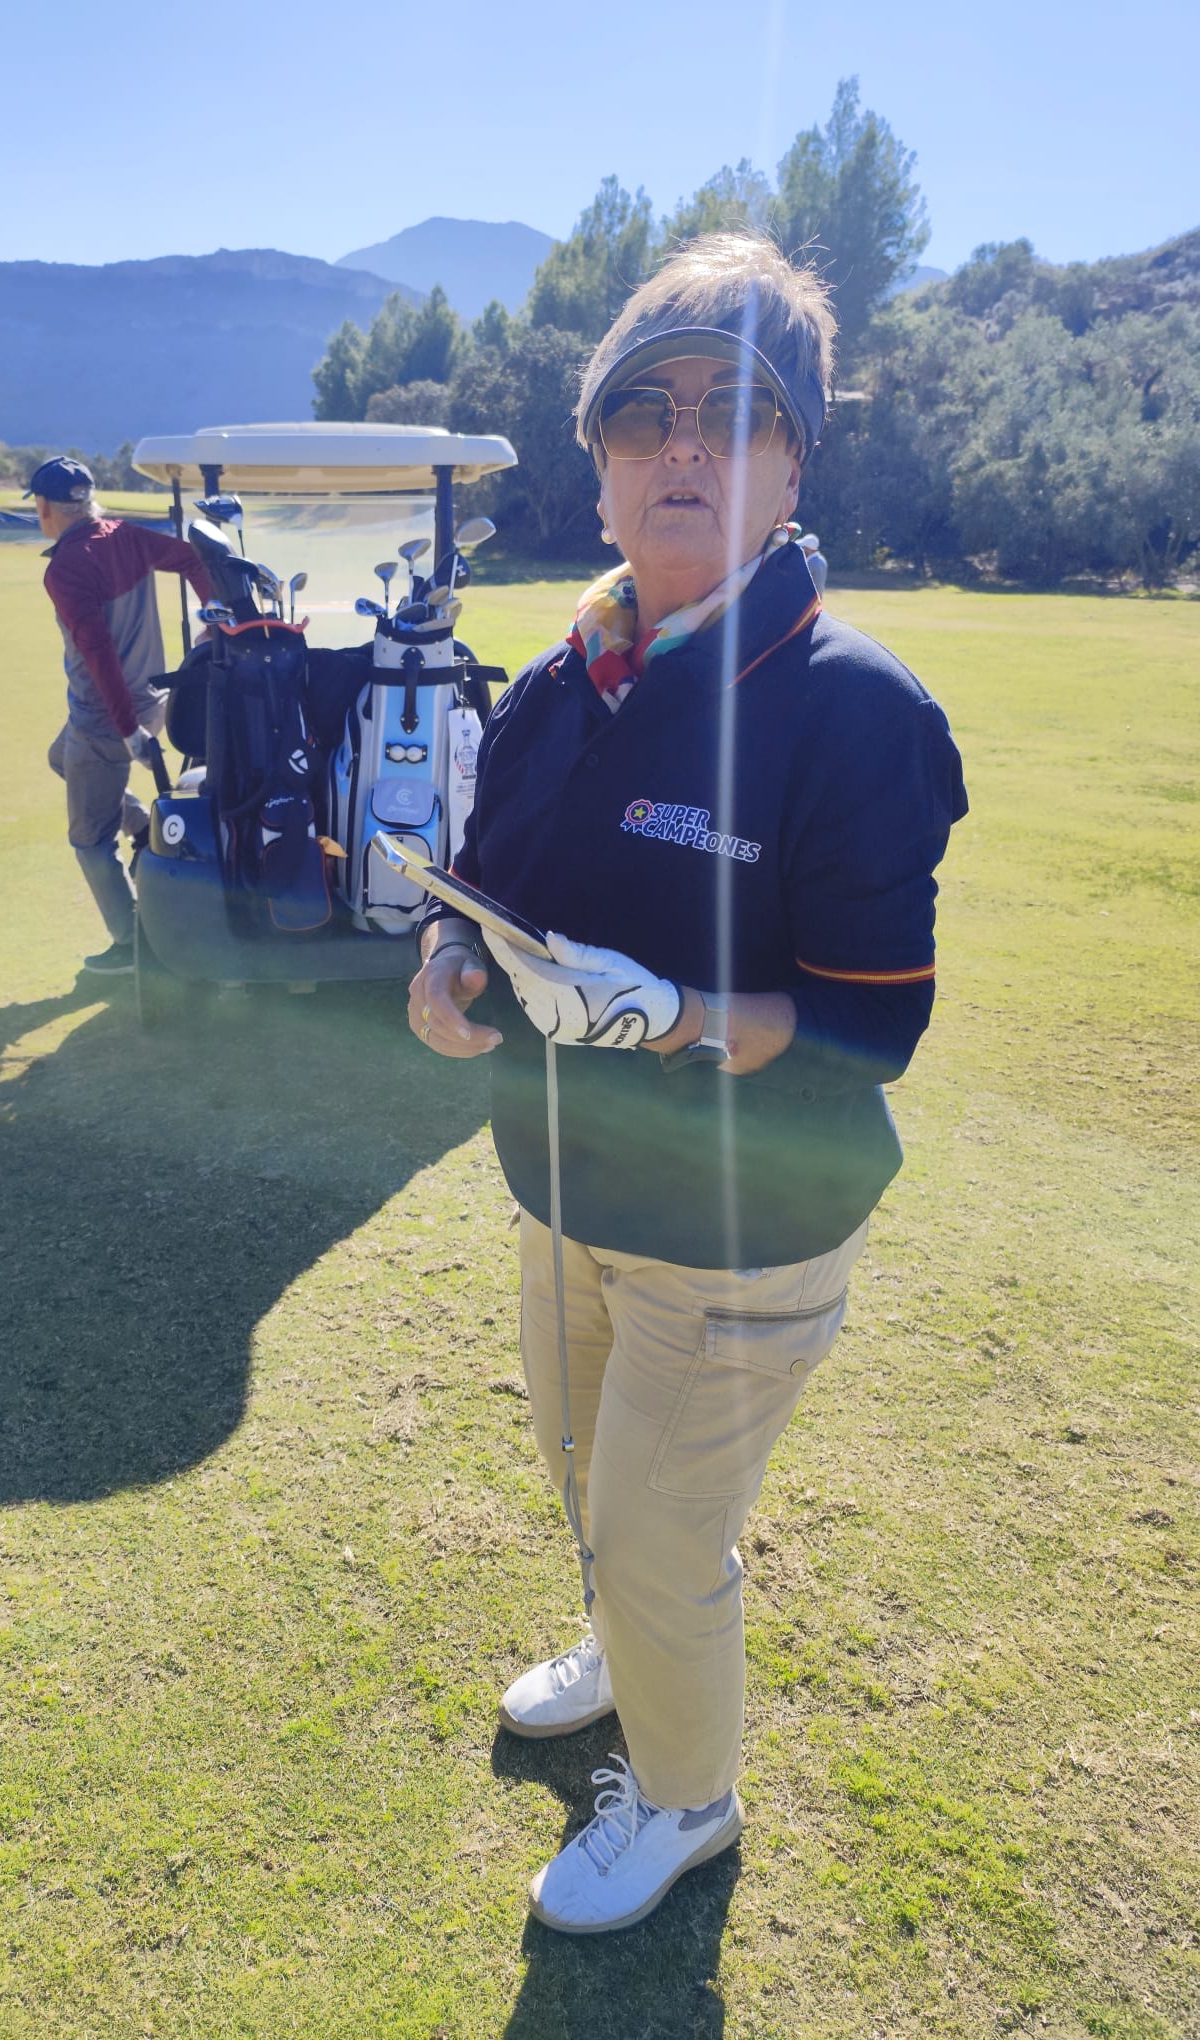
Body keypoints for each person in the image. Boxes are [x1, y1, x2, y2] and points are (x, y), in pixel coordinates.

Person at [407, 234, 967, 1935]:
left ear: (793, 465)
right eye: (641, 414)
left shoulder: (857, 712)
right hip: (561, 1188)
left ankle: (685, 1800)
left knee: (658, 1532)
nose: (680, 448)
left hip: (740, 1231)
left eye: (733, 414)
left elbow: (871, 1025)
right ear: (595, 465)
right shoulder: (560, 680)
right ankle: (623, 1643)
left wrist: (677, 1017)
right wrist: (443, 967)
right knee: (589, 1478)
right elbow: (485, 892)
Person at [30, 456, 212, 974]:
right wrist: (213, 618)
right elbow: (194, 560)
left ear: (43, 507)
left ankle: (132, 945)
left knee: (89, 840)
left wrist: (126, 729)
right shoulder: (125, 536)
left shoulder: (65, 568)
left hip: (105, 718)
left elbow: (98, 650)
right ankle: (142, 822)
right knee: (59, 759)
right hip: (148, 704)